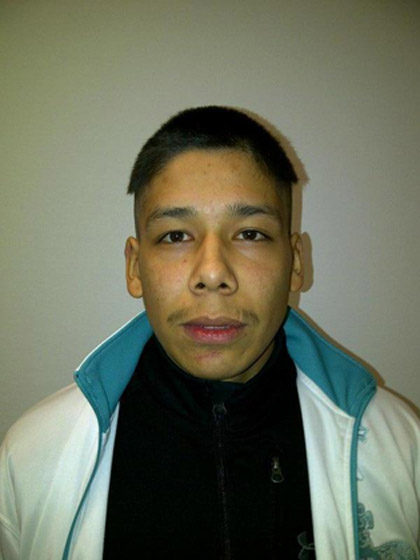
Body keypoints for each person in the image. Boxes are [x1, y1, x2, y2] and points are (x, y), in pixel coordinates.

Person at [0, 106, 419, 560]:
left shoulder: (402, 449)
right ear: (134, 267)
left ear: (296, 263)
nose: (213, 273)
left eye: (251, 234)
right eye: (176, 236)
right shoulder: (32, 457)